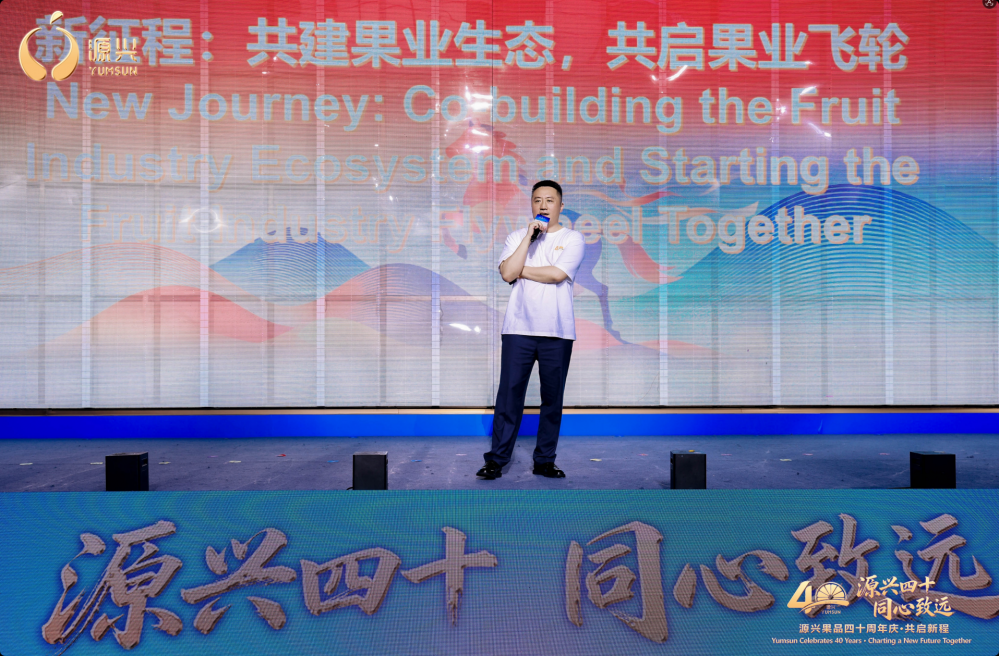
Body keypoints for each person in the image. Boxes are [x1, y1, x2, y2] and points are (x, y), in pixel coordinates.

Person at [477, 180, 586, 480]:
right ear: (531, 204)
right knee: (509, 397)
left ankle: (544, 461)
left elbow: (556, 274)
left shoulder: (573, 238)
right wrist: (528, 237)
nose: (543, 206)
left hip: (557, 332)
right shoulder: (517, 237)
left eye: (550, 200)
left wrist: (519, 270)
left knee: (552, 400)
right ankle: (496, 460)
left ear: (561, 205)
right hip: (518, 330)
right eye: (537, 200)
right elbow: (506, 274)